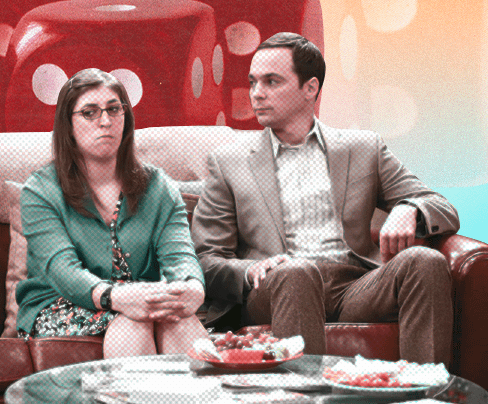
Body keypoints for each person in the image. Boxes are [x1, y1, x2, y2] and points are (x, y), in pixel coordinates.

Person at [192, 32, 459, 364]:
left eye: (271, 81)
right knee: (296, 272)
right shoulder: (229, 162)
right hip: (276, 286)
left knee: (425, 261)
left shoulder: (363, 148)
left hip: (354, 287)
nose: (257, 93)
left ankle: (426, 388)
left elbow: (441, 206)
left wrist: (410, 208)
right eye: (253, 82)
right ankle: (304, 392)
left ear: (310, 88)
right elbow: (206, 260)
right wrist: (250, 270)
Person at [15, 68, 209, 357]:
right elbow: (63, 271)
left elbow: (180, 256)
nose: (105, 121)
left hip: (141, 300)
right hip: (61, 303)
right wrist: (115, 297)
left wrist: (192, 288)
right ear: (68, 125)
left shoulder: (159, 187)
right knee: (133, 322)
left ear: (125, 117)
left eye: (114, 109)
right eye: (89, 113)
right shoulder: (40, 190)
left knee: (180, 321)